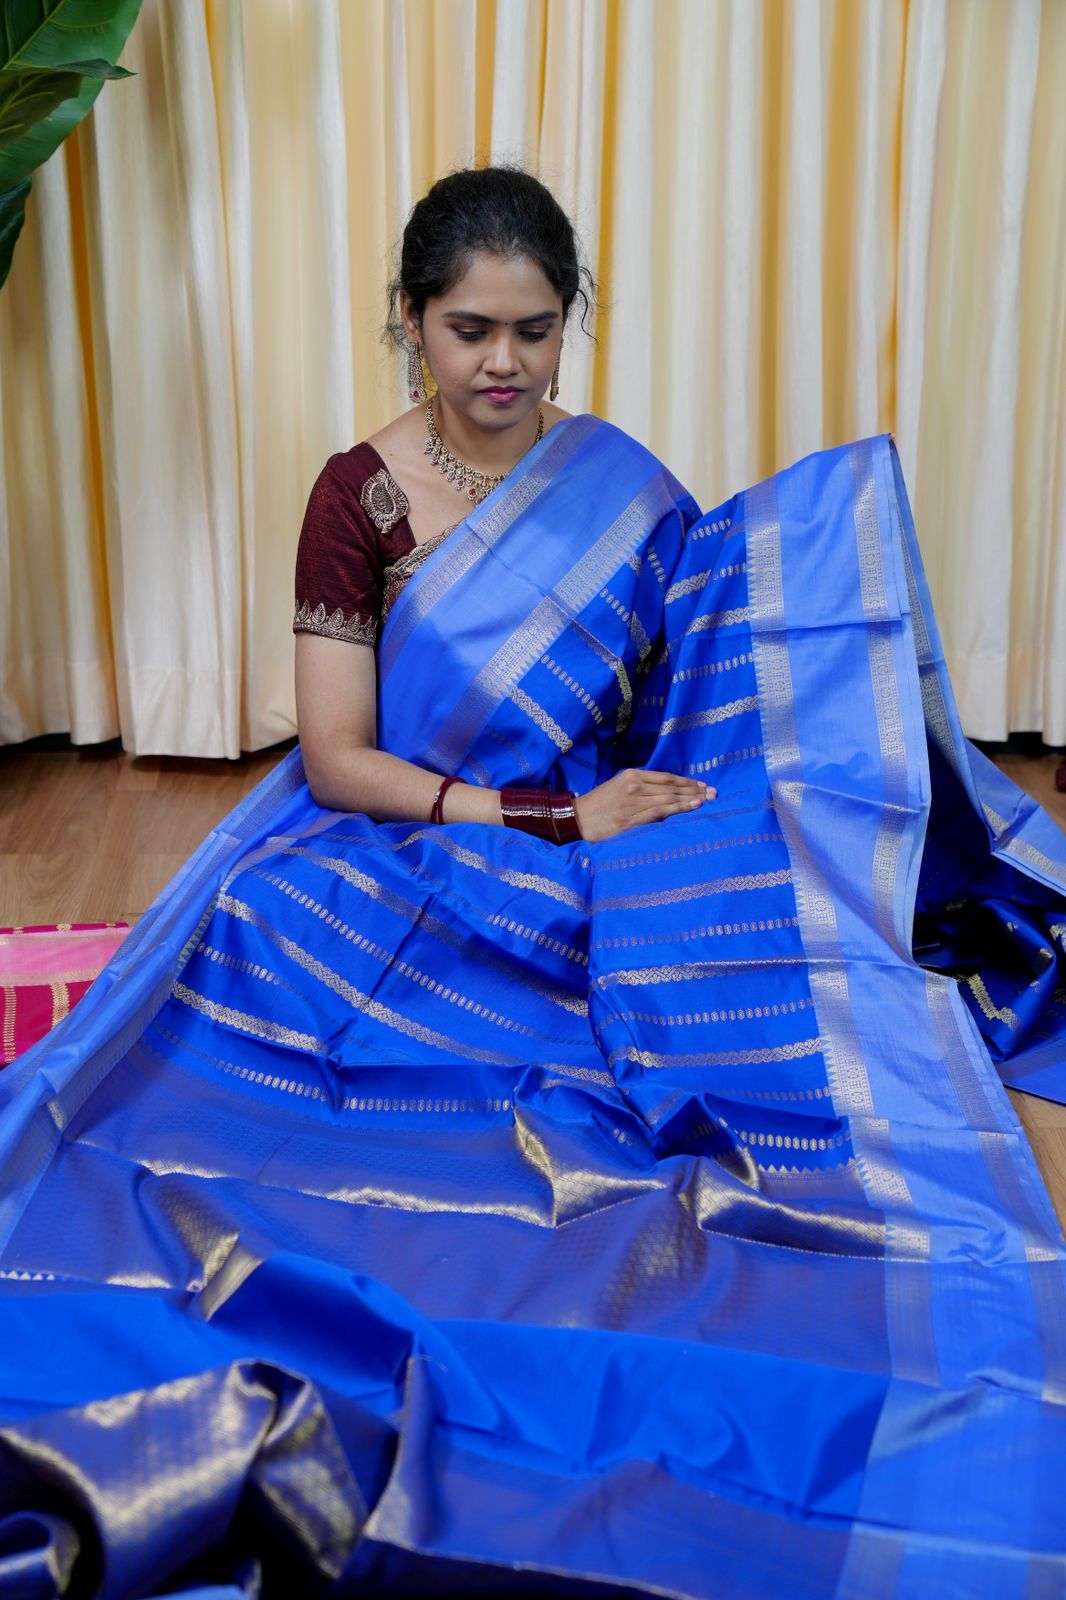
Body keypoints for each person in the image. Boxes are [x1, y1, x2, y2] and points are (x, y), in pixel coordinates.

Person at [1, 165, 1066, 1599]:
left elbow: (692, 691)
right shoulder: (359, 497)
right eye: (466, 330)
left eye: (533, 328)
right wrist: (544, 818)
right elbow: (335, 760)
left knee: (735, 984)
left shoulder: (622, 487)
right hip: (407, 829)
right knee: (254, 934)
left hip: (598, 841)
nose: (501, 363)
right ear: (407, 322)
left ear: (568, 323)